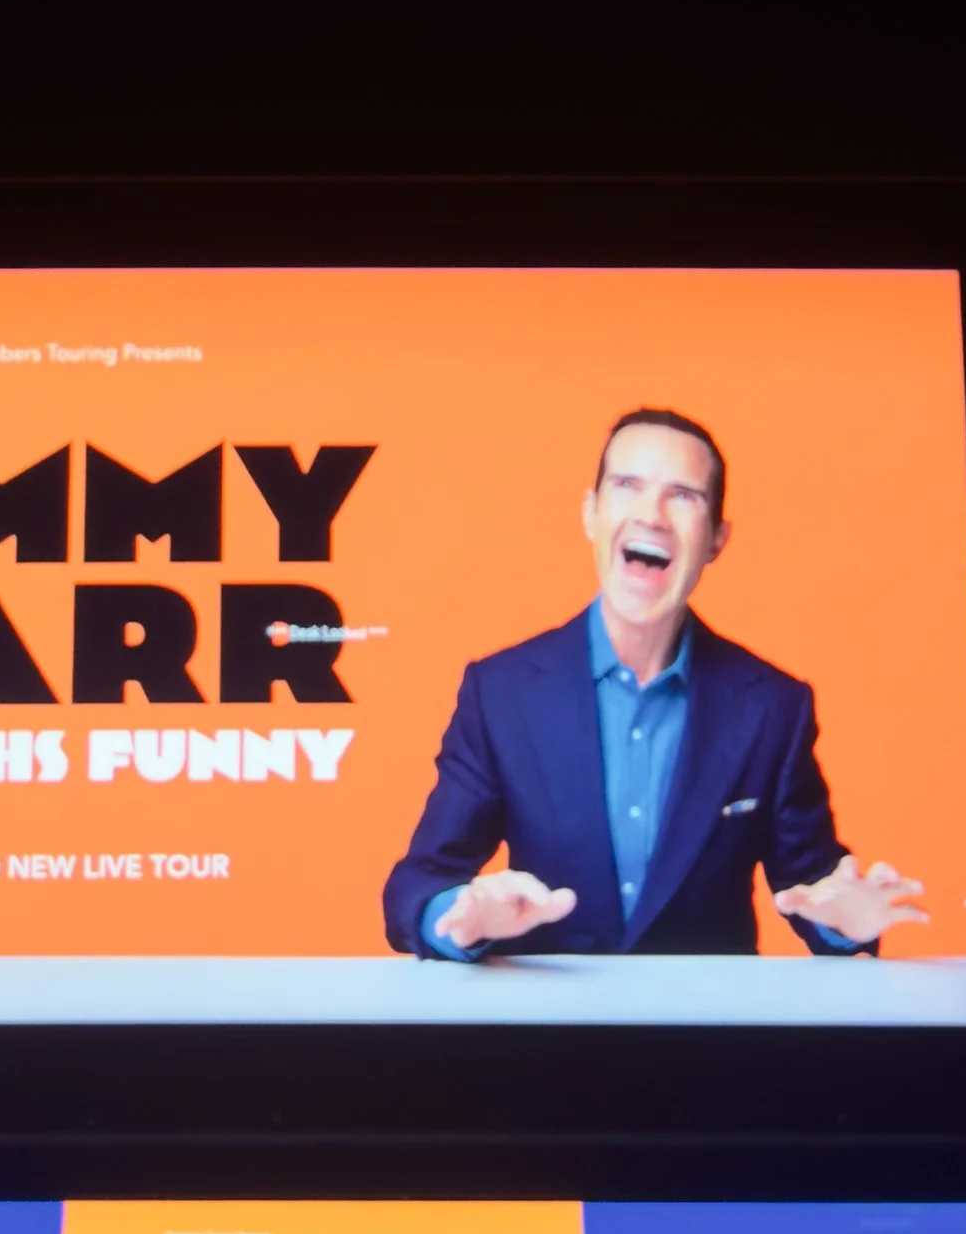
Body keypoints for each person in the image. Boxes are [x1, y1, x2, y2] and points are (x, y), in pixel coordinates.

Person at [382, 405, 925, 963]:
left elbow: (815, 892)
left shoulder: (772, 707)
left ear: (717, 537)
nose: (653, 515)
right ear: (591, 515)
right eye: (627, 486)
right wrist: (458, 917)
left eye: (683, 496)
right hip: (549, 1038)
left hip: (711, 1042)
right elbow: (418, 884)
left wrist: (847, 925)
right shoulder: (500, 694)